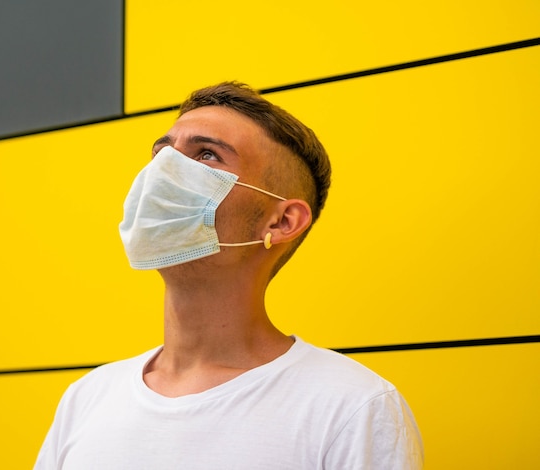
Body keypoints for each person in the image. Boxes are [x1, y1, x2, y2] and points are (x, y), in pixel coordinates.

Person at [35, 82, 424, 469]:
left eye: (206, 155)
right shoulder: (87, 399)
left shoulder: (351, 407)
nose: (161, 172)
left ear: (282, 221)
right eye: (162, 153)